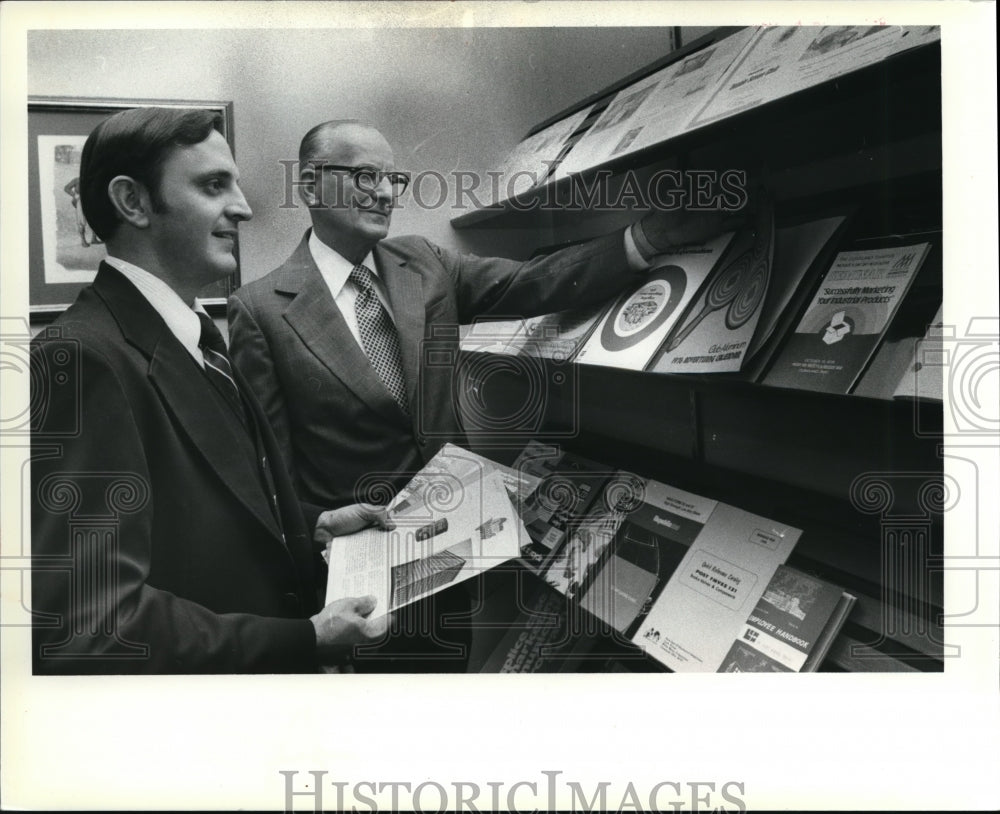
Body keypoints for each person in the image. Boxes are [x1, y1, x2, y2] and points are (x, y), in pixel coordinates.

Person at [31, 107, 389, 674]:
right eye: (213, 185)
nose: (243, 208)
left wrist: (311, 524)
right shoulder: (78, 358)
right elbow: (90, 624)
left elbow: (194, 514)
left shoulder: (196, 336)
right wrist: (303, 640)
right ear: (133, 202)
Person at [228, 120, 734, 510]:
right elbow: (271, 465)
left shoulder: (424, 262)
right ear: (311, 187)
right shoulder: (260, 310)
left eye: (392, 179)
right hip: (353, 562)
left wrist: (643, 240)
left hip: (458, 524)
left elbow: (530, 283)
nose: (384, 193)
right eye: (365, 176)